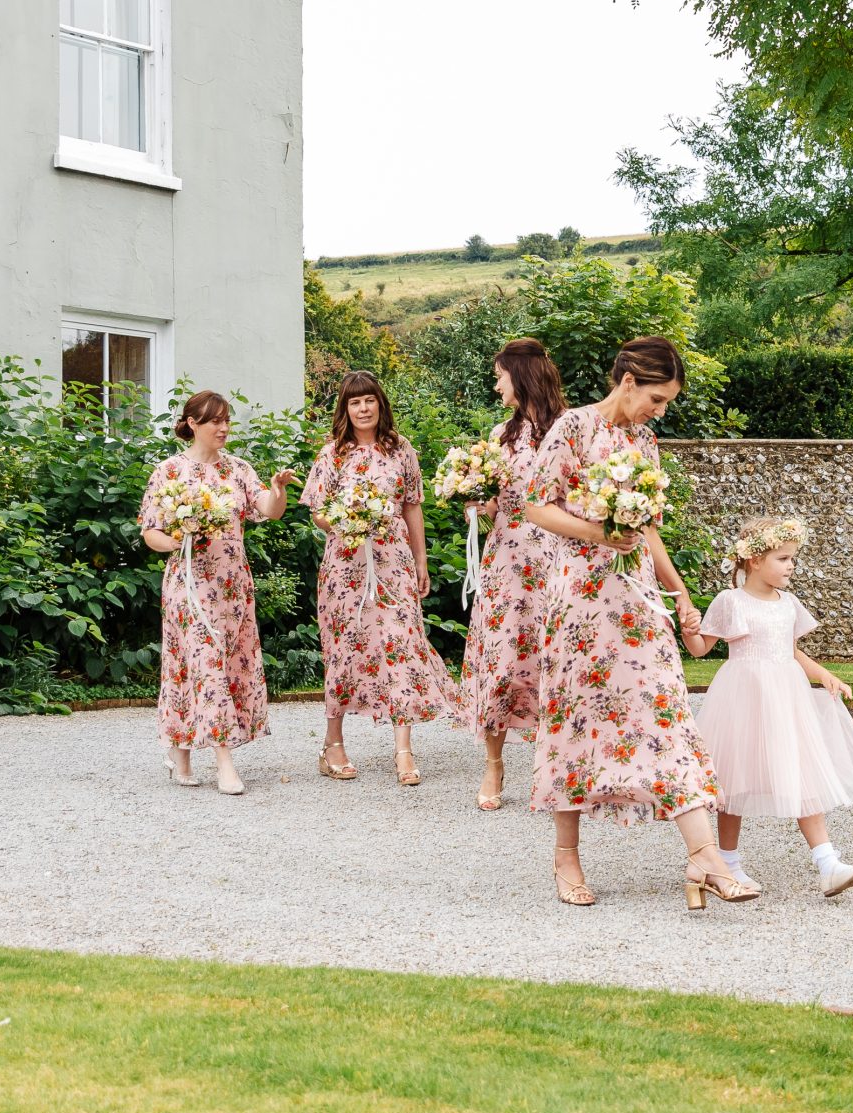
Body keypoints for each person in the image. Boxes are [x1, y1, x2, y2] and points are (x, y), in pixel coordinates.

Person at [521, 336, 752, 910]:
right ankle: (566, 857)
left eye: (667, 402)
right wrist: (599, 533)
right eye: (657, 398)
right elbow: (535, 505)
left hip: (639, 600)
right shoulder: (573, 428)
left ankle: (704, 856)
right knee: (575, 719)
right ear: (628, 382)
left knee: (665, 712)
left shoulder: (644, 441)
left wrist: (679, 593)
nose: (660, 411)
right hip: (580, 602)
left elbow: (647, 529)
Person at [682, 516, 853, 898]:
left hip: (786, 698)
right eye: (783, 558)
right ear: (755, 560)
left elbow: (791, 649)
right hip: (743, 696)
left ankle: (828, 864)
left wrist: (824, 675)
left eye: (792, 559)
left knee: (802, 771)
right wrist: (689, 632)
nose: (791, 566)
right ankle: (728, 863)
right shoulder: (731, 601)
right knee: (734, 778)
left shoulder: (788, 604)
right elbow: (701, 649)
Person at [301, 370, 459, 786]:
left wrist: (421, 560)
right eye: (355, 402)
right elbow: (318, 511)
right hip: (345, 564)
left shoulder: (400, 448)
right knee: (343, 648)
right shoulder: (332, 453)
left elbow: (411, 506)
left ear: (380, 403)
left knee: (400, 642)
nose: (363, 408)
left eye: (369, 400)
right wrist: (347, 521)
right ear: (345, 408)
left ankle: (403, 749)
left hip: (393, 562)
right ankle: (333, 744)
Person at [137, 390, 296, 796]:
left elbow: (268, 509)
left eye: (226, 420)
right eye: (215, 421)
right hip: (189, 585)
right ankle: (224, 762)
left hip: (232, 585)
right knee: (204, 662)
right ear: (192, 423)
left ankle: (180, 752)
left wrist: (277, 489)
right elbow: (150, 531)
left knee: (203, 666)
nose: (224, 428)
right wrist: (176, 542)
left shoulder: (239, 469)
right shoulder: (169, 472)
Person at [462, 338, 566, 812]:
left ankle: (553, 765)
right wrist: (472, 499)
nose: (496, 385)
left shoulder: (569, 429)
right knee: (503, 661)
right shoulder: (500, 435)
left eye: (500, 376)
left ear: (520, 376)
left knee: (554, 660)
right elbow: (493, 505)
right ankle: (494, 764)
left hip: (555, 558)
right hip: (506, 562)